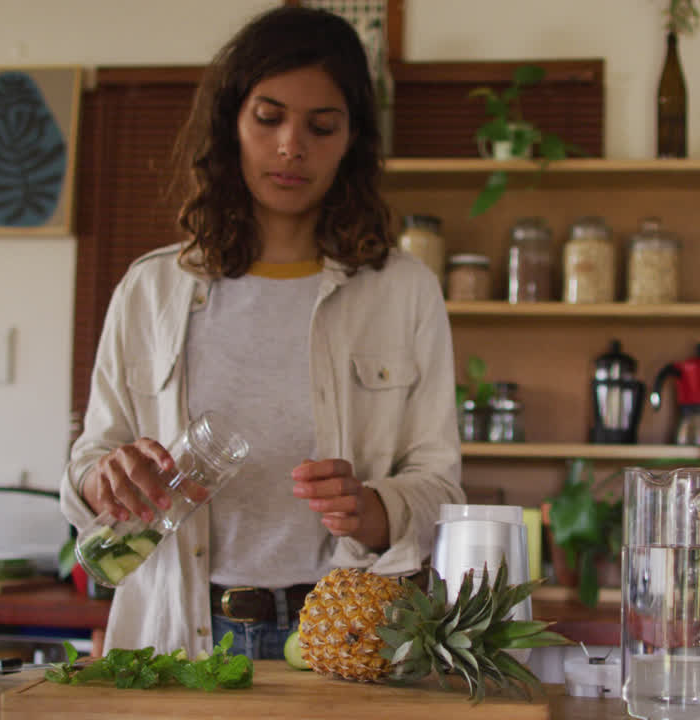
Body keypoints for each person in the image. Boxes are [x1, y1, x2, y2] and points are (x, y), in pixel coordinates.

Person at [58, 5, 463, 660]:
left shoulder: (402, 290)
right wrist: (107, 476)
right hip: (180, 635)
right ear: (230, 124)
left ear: (352, 140)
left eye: (321, 126)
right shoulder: (150, 289)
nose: (291, 147)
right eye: (268, 118)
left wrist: (373, 507)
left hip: (347, 636)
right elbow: (89, 459)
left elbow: (439, 483)